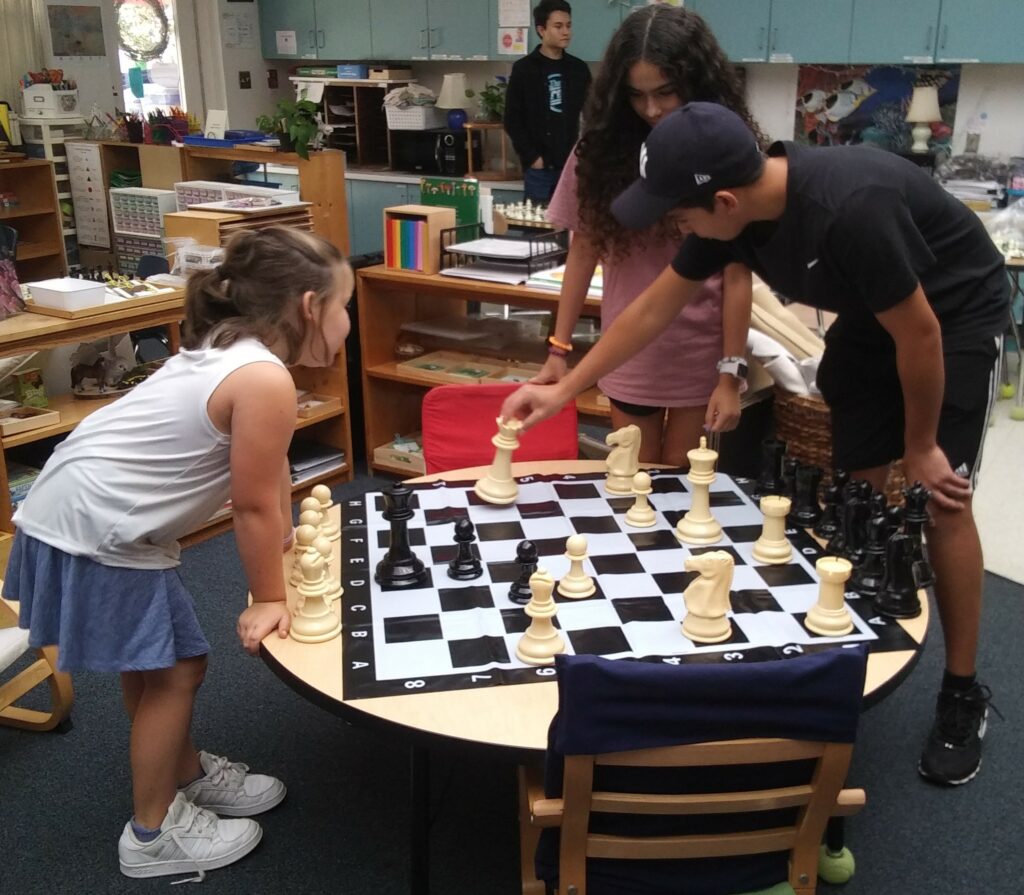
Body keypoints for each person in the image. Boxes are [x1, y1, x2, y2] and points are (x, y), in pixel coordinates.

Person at [502, 101, 1007, 786]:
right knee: (859, 493)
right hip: (870, 309)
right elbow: (653, 306)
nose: (676, 228)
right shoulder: (735, 216)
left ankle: (961, 691)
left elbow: (919, 333)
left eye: (679, 216)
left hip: (950, 313)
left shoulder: (849, 207)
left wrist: (920, 444)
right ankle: (849, 649)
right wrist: (563, 387)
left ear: (726, 200)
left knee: (942, 497)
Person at [3, 227, 353, 878]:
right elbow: (249, 505)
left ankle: (183, 771)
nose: (347, 320)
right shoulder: (264, 379)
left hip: (75, 515)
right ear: (309, 308)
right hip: (97, 533)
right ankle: (152, 834)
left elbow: (269, 470)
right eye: (343, 305)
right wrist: (271, 595)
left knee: (164, 662)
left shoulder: (229, 351)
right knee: (176, 672)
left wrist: (284, 538)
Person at [534, 4, 759, 465]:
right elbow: (582, 253)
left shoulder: (723, 149)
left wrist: (730, 374)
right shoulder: (597, 152)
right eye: (637, 96)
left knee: (682, 487)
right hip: (629, 347)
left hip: (701, 351)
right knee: (632, 482)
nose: (652, 109)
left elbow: (738, 274)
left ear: (698, 82)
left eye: (666, 92)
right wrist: (559, 349)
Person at [503, 0, 592, 204]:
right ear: (541, 30)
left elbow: (592, 115)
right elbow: (512, 120)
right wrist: (532, 157)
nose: (566, 32)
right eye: (558, 26)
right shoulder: (524, 69)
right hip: (539, 169)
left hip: (571, 167)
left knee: (569, 230)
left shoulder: (579, 70)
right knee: (537, 230)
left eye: (568, 26)